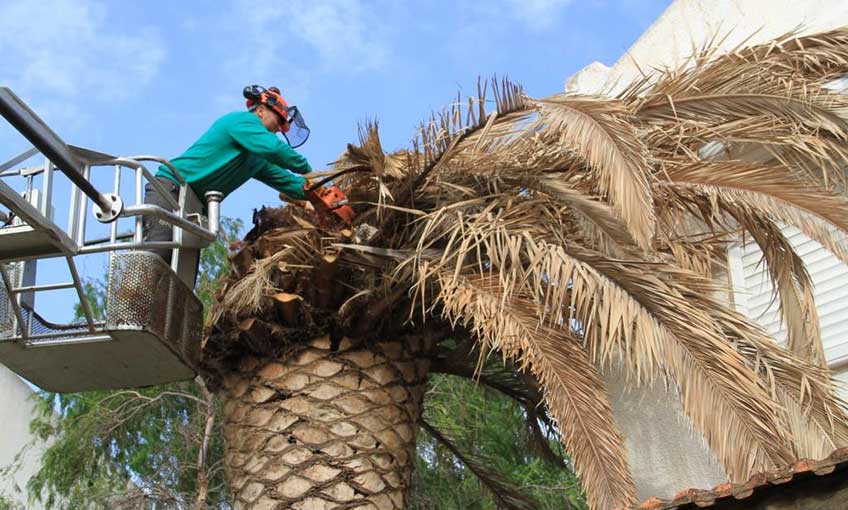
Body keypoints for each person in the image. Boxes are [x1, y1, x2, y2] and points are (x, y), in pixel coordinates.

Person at [143, 85, 312, 266]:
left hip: (194, 210)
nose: (278, 129)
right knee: (157, 256)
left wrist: (315, 195)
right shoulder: (241, 121)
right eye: (278, 122)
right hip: (170, 189)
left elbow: (287, 181)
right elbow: (274, 148)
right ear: (261, 111)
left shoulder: (256, 159)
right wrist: (308, 170)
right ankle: (134, 293)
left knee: (181, 274)